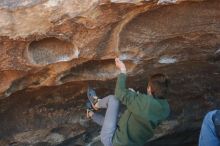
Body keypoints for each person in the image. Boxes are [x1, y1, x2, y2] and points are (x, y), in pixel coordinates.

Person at [86, 58, 170, 146]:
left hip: (111, 140)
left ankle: (96, 103)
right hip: (126, 139)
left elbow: (119, 93)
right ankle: (90, 114)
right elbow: (144, 108)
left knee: (113, 100)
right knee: (111, 120)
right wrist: (135, 96)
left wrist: (123, 70)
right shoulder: (165, 109)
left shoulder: (143, 102)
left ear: (149, 89)